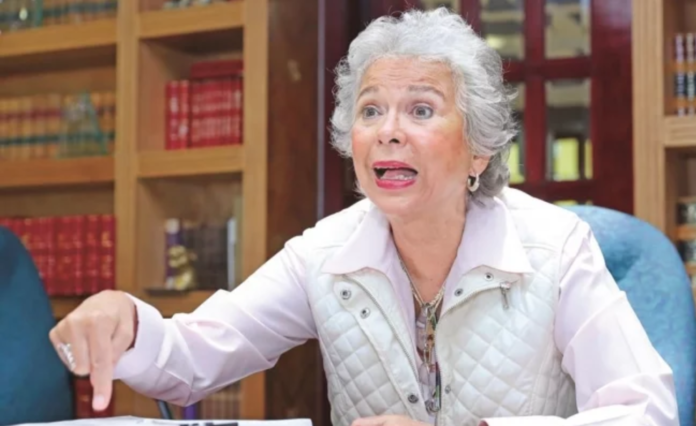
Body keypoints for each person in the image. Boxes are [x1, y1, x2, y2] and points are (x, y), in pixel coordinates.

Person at [49, 7, 678, 426]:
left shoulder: (558, 248)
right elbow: (192, 358)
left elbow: (645, 411)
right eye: (371, 111)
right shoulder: (324, 253)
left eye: (422, 110)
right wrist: (125, 322)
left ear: (479, 148)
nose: (388, 132)